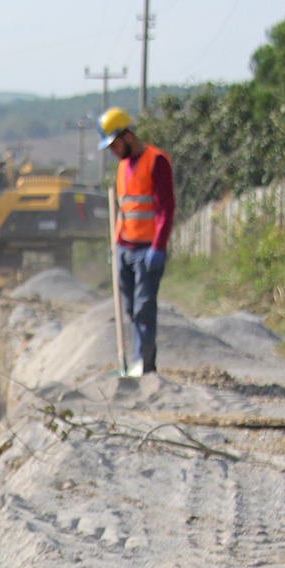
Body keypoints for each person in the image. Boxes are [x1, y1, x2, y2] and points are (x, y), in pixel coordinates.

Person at [97, 108, 175, 376]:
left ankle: (145, 365)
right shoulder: (122, 168)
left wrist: (158, 246)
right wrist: (116, 243)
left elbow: (166, 209)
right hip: (125, 248)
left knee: (144, 308)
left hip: (147, 250)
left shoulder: (156, 161)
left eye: (114, 145)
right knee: (130, 309)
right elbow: (124, 209)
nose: (112, 151)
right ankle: (138, 360)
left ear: (127, 136)